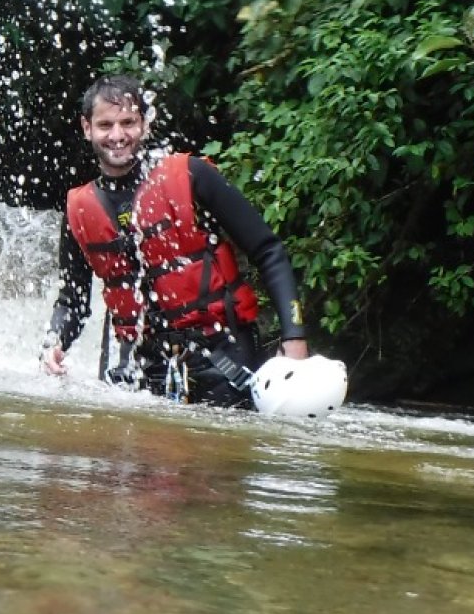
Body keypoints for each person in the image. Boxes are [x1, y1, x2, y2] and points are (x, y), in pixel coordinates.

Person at [42, 75, 310, 408]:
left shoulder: (193, 175)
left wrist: (294, 338)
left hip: (221, 357)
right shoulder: (79, 210)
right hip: (138, 370)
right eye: (105, 125)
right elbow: (73, 302)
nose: (117, 135)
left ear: (145, 125)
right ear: (87, 128)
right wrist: (54, 342)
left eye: (128, 123)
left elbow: (268, 251)